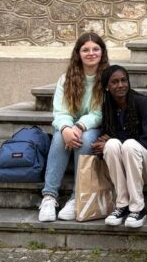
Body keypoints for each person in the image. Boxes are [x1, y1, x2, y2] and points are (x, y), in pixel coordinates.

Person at [39, 32, 108, 221]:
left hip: (94, 127)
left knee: (85, 138)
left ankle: (77, 197)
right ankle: (49, 197)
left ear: (102, 52)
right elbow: (60, 111)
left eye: (95, 49)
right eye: (86, 50)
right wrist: (66, 129)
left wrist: (79, 126)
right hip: (69, 125)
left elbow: (100, 113)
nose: (91, 53)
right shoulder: (66, 78)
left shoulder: (107, 78)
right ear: (78, 53)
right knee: (59, 137)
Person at [92, 65, 147, 229]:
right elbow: (110, 143)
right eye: (115, 82)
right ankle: (122, 205)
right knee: (111, 145)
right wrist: (102, 145)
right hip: (126, 170)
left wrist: (118, 139)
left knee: (129, 145)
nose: (121, 85)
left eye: (124, 80)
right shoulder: (108, 108)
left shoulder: (142, 103)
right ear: (107, 87)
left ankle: (138, 208)